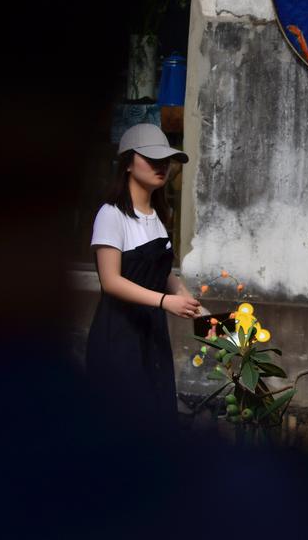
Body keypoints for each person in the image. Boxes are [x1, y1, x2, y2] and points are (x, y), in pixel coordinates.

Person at [85, 123, 200, 430]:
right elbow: (110, 281)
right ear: (127, 163)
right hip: (119, 335)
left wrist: (189, 300)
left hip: (152, 335)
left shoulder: (158, 216)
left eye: (165, 159)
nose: (162, 166)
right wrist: (164, 301)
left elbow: (162, 272)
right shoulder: (111, 215)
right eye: (152, 158)